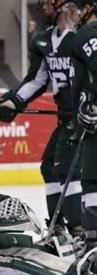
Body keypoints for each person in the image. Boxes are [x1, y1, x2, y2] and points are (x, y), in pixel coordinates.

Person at [0, 0, 84, 244]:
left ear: (64, 6)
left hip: (82, 116)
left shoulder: (83, 37)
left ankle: (80, 230)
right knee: (49, 168)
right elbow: (37, 79)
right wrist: (13, 101)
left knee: (66, 170)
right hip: (66, 117)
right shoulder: (43, 40)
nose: (43, 6)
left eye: (48, 2)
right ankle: (59, 226)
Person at [70, 0, 97, 255]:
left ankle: (93, 243)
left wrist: (92, 103)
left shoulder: (89, 32)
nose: (75, 14)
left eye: (79, 8)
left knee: (92, 181)